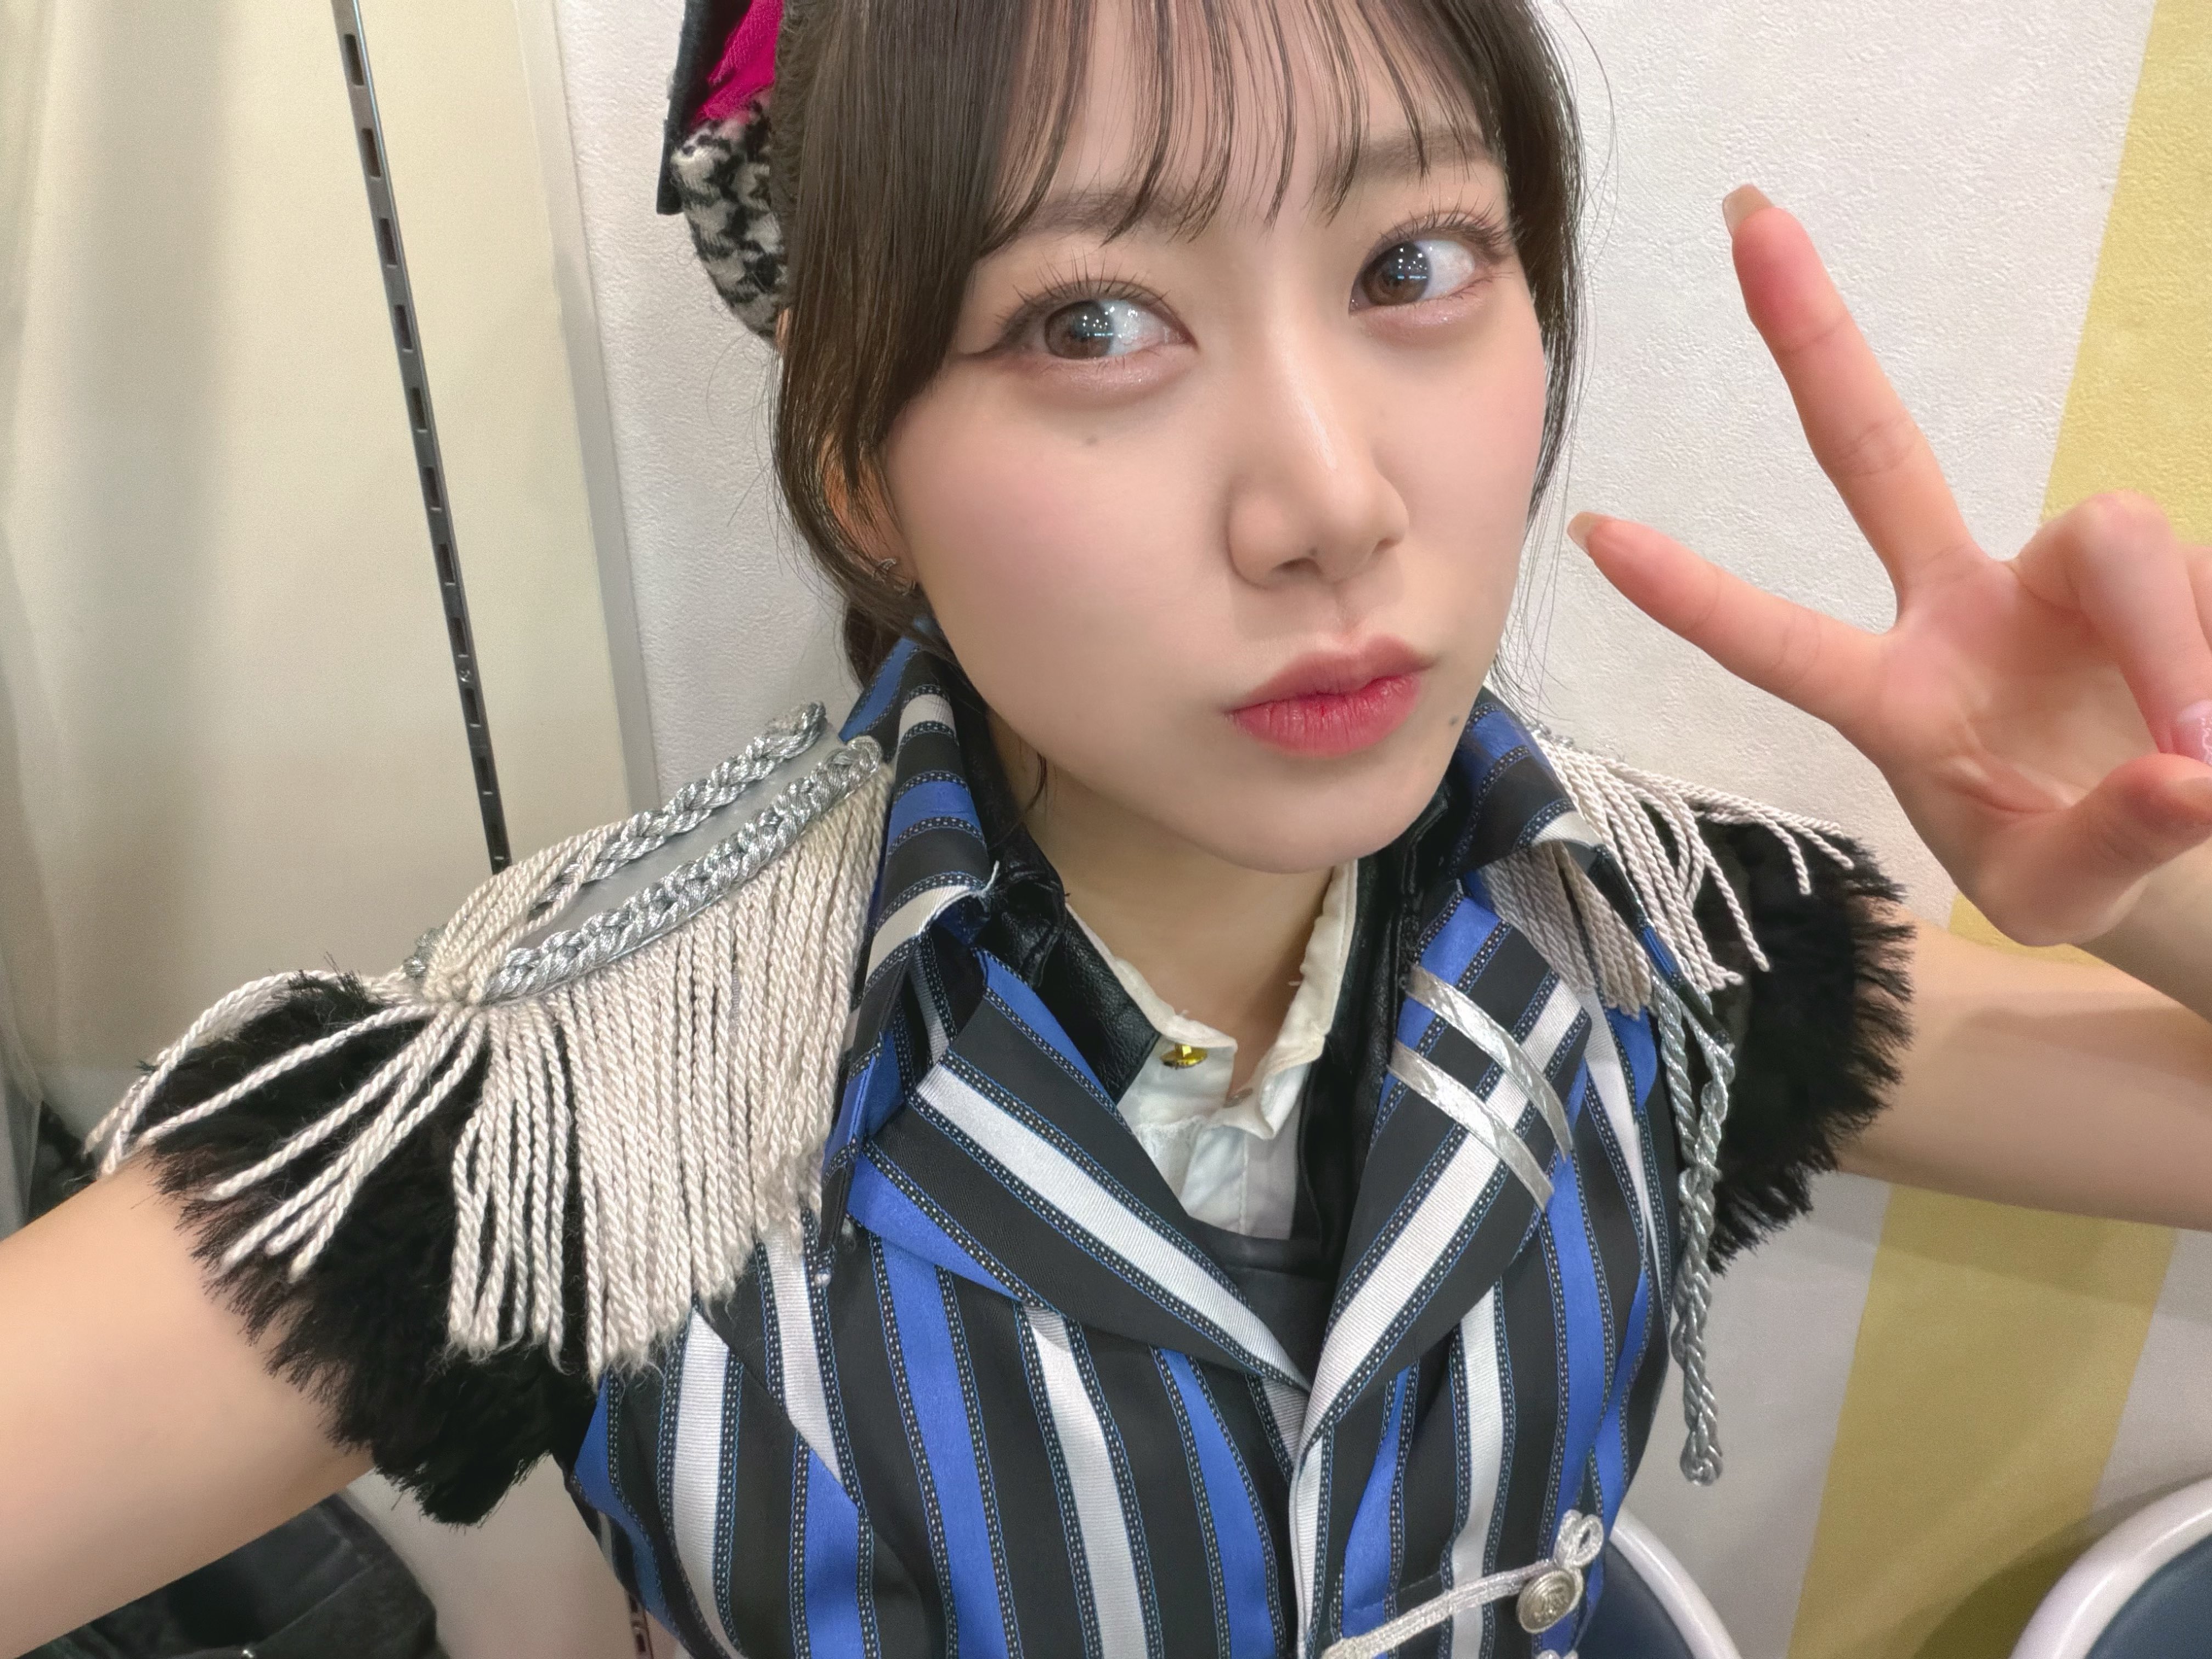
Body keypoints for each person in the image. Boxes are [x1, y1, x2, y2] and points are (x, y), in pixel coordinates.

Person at [4, 0, 2211, 1654]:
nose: (1331, 497)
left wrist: (2147, 868)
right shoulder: (589, 1118)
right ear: (859, 464)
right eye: (1092, 317)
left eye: (1413, 263)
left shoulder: (1641, 941)